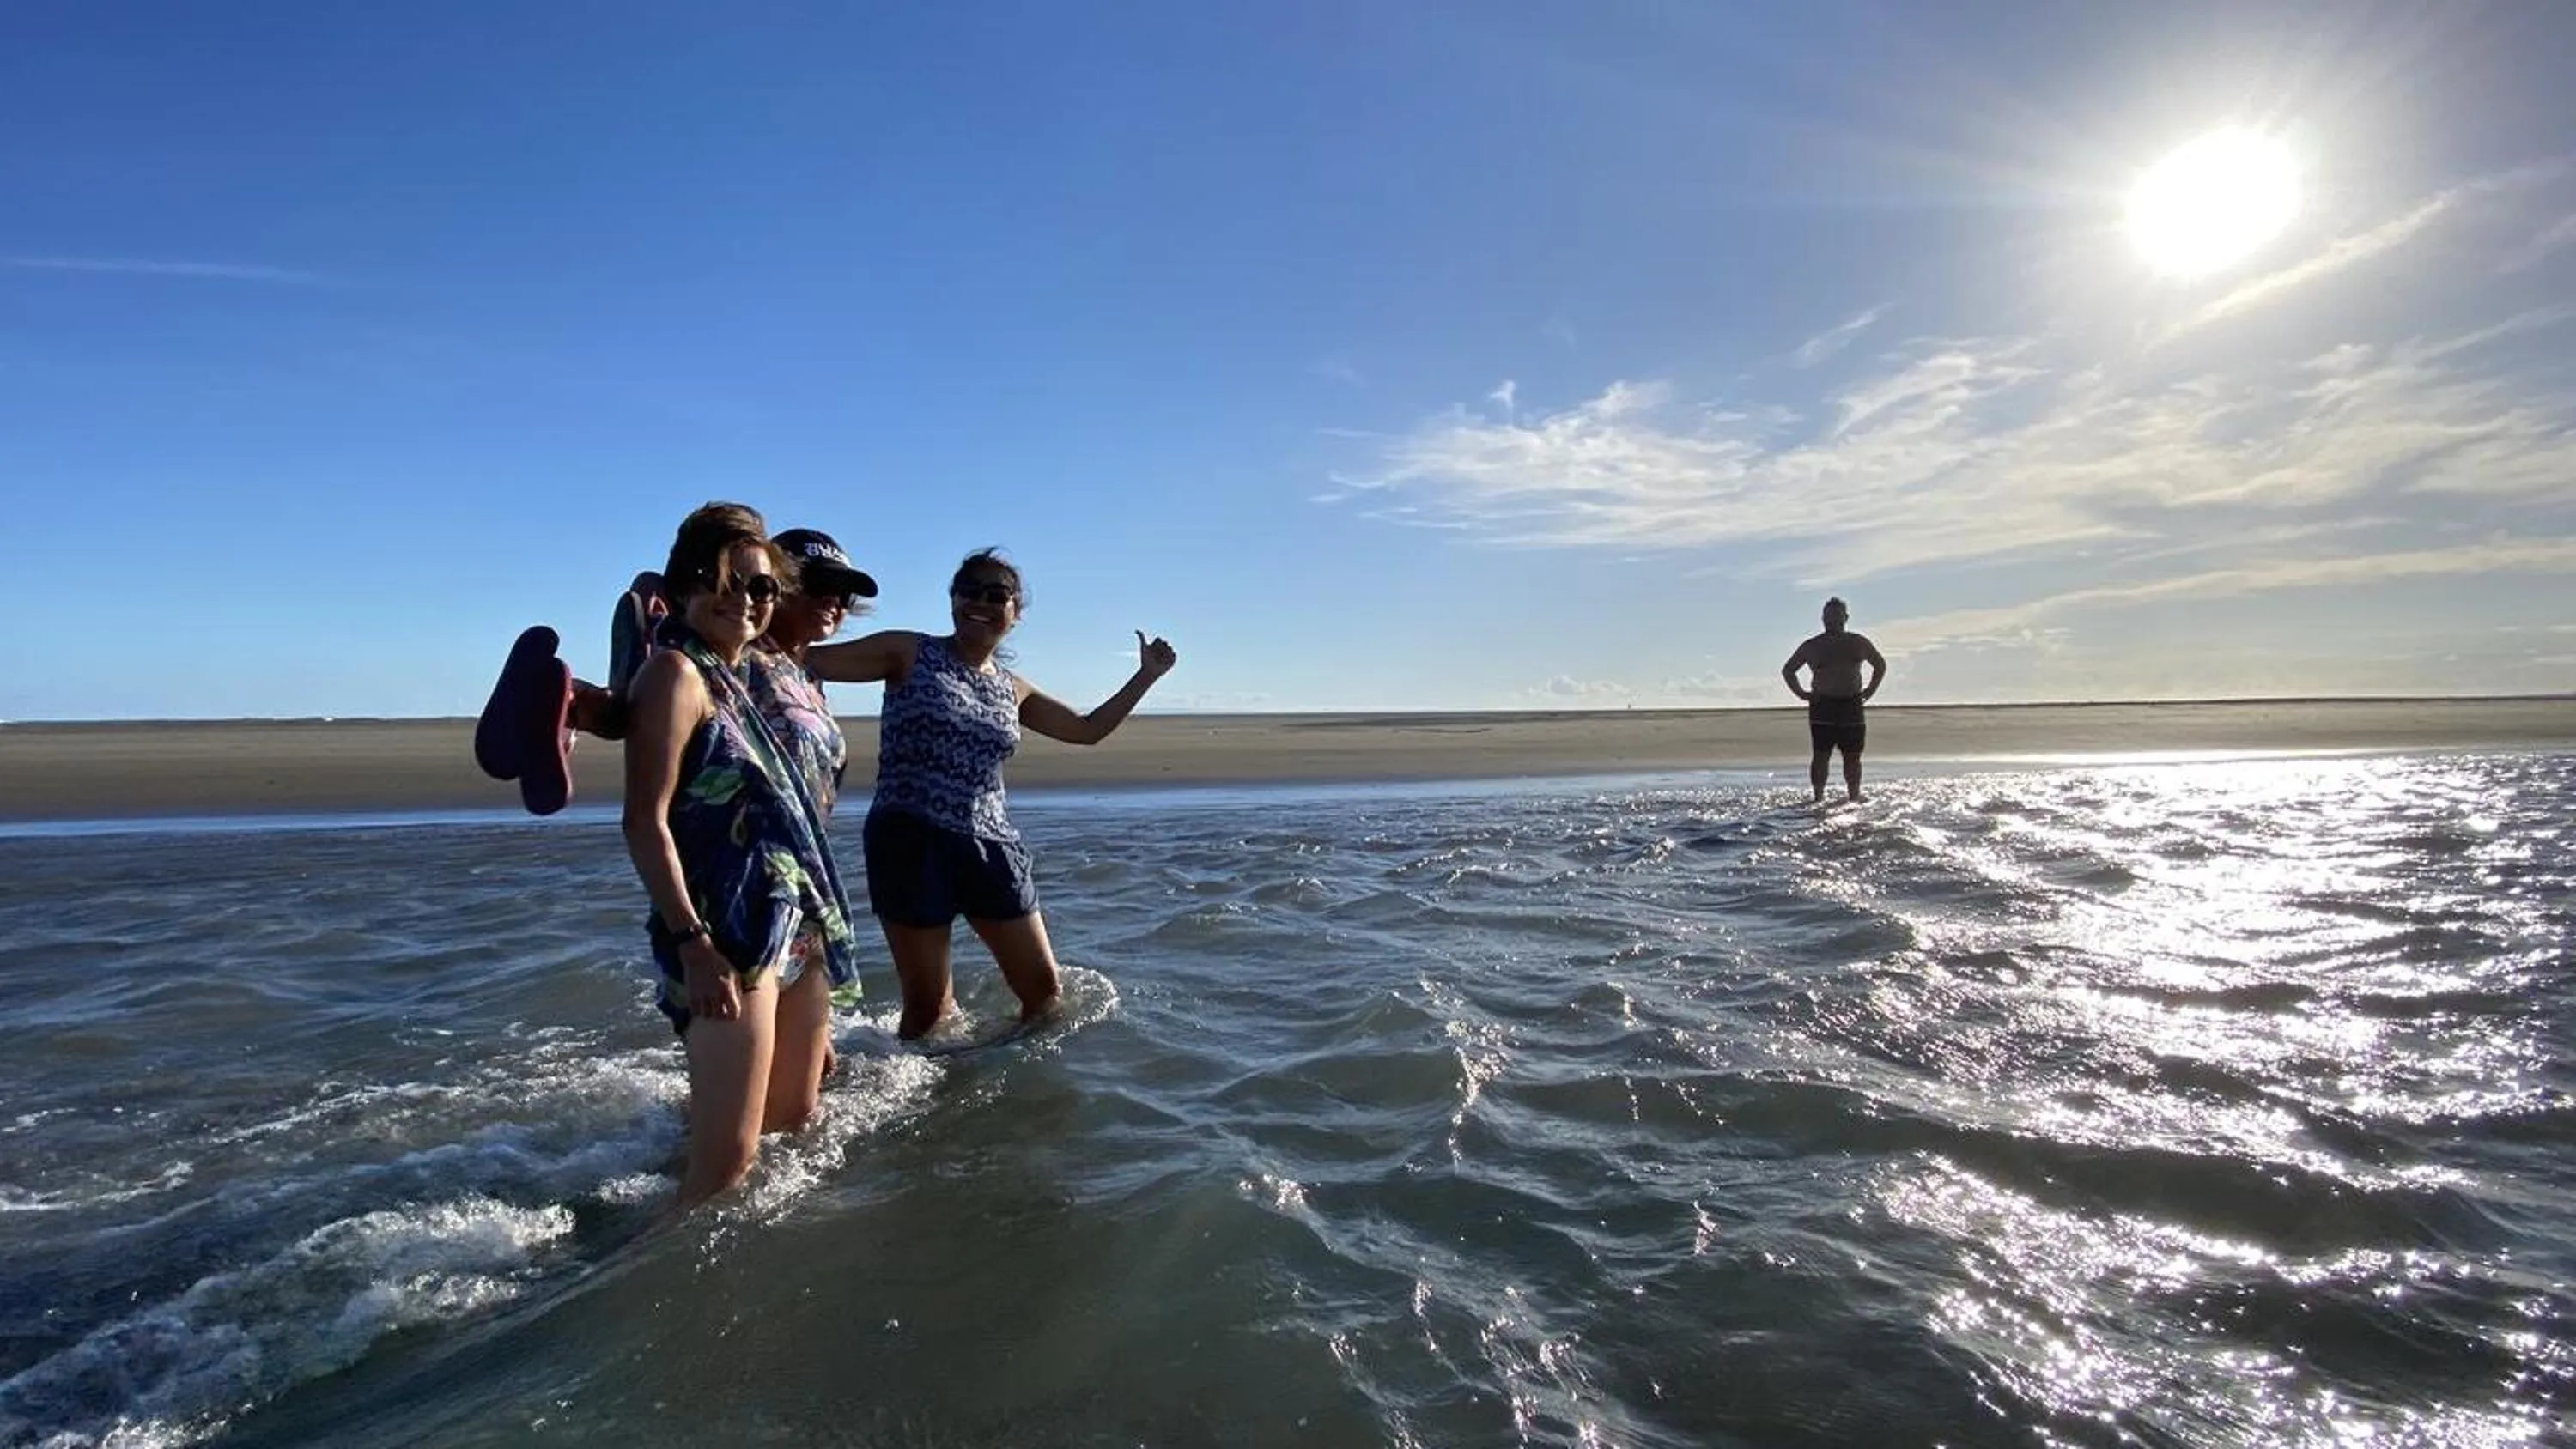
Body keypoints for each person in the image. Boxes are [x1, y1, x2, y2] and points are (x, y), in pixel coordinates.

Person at [806, 549, 1177, 1040]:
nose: (980, 602)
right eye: (969, 591)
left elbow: (1087, 731)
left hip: (993, 847)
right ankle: (926, 1097)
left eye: (996, 594)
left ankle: (990, 1077)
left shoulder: (1012, 688)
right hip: (910, 840)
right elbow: (808, 657)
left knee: (1044, 994)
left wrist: (1146, 675)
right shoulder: (909, 652)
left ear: (1015, 613)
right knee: (928, 1008)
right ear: (952, 600)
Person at [621, 503, 866, 1207]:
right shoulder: (679, 673)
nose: (746, 600)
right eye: (724, 580)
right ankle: (635, 1286)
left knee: (793, 1121)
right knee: (725, 1170)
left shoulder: (753, 673)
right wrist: (693, 944)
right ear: (687, 585)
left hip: (799, 917)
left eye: (761, 588)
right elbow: (643, 821)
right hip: (727, 931)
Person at [1781, 596, 1886, 803]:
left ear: (1846, 618)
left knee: (1852, 756)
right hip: (1823, 706)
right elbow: (1788, 670)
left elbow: (1880, 665)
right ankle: (1818, 798)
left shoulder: (1858, 642)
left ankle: (1854, 797)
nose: (1831, 621)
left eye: (1836, 616)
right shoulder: (1812, 646)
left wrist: (1871, 689)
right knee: (1821, 755)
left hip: (1851, 705)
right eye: (1828, 617)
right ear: (1822, 619)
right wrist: (1802, 694)